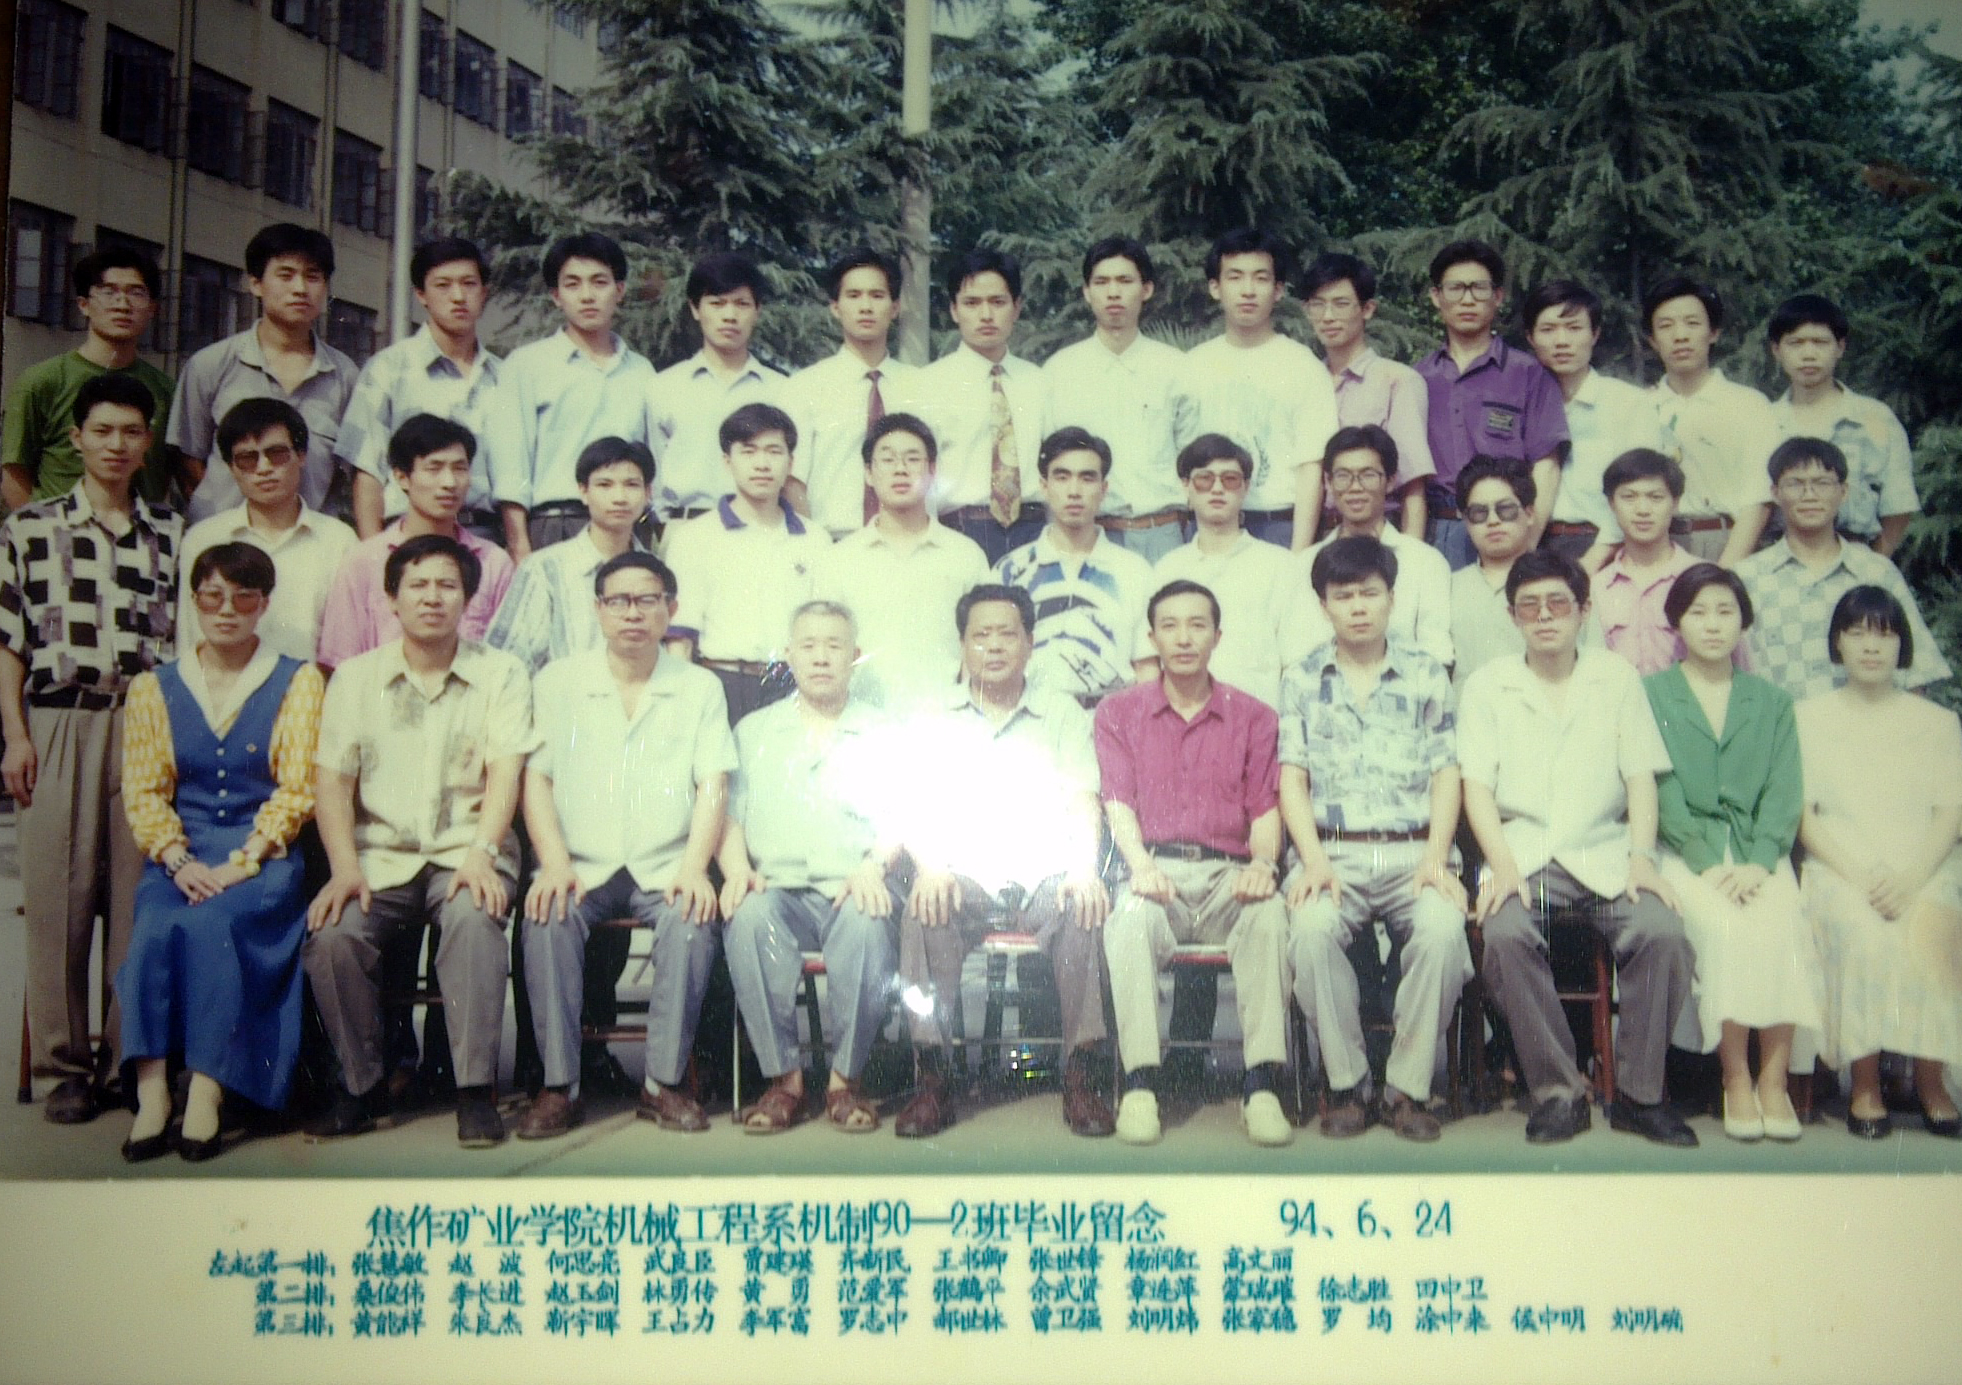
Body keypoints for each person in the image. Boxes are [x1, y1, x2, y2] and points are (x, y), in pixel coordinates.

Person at [1457, 550, 1697, 1147]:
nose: (1544, 617)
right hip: (1524, 854)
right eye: (1529, 607)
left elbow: (1640, 775)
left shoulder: (1615, 677)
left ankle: (1640, 1094)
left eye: (1557, 604)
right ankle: (1560, 1092)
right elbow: (1476, 787)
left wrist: (1641, 858)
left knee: (1662, 932)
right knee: (1504, 935)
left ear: (1584, 610)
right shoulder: (1488, 685)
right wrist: (1501, 866)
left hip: (1606, 852)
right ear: (1513, 616)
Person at [302, 534, 534, 1148]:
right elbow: (333, 781)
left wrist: (483, 853)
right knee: (333, 937)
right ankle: (362, 1086)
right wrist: (344, 867)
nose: (433, 598)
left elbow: (506, 773)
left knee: (473, 920)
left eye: (447, 586)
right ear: (392, 599)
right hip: (378, 854)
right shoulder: (355, 678)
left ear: (467, 599)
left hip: (467, 848)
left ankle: (474, 1091)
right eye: (418, 585)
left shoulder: (501, 673)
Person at [0, 373, 182, 1124]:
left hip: (145, 720)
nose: (115, 445)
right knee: (60, 899)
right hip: (59, 718)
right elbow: (8, 641)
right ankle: (64, 1068)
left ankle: (128, 1059)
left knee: (137, 898)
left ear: (146, 443)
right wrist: (15, 735)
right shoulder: (30, 528)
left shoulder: (170, 532)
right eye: (101, 431)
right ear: (76, 438)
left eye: (130, 432)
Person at [516, 552, 737, 1139]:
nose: (632, 613)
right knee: (545, 916)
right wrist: (553, 863)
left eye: (647, 600)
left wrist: (695, 868)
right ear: (599, 609)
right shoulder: (558, 681)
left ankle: (662, 1083)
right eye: (619, 601)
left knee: (690, 921)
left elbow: (713, 782)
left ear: (671, 608)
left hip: (665, 864)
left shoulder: (699, 687)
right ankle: (559, 1086)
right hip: (581, 865)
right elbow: (536, 779)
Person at [117, 543, 324, 1162]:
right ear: (194, 601)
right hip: (181, 855)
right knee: (153, 926)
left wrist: (246, 860)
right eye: (212, 597)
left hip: (265, 854)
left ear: (263, 605)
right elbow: (145, 790)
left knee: (217, 924)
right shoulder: (154, 687)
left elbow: (297, 787)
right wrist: (176, 859)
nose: (226, 610)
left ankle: (207, 1091)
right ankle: (153, 1093)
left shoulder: (296, 679)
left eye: (243, 597)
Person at [890, 584, 1117, 1140]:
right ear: (963, 645)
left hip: (1045, 872)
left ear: (1029, 643)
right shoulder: (933, 715)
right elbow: (910, 805)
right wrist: (930, 867)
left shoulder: (1060, 711)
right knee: (923, 909)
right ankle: (933, 1078)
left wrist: (1083, 868)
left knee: (1083, 906)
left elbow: (1082, 798)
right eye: (981, 635)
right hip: (962, 873)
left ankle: (1082, 1076)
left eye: (1007, 634)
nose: (994, 646)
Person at [1280, 537, 1471, 1142]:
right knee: (1310, 932)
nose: (1358, 606)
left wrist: (1436, 857)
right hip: (1333, 852)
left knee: (1442, 932)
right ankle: (1348, 1085)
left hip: (1416, 849)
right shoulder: (1302, 678)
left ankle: (1406, 1090)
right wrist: (1313, 861)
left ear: (1391, 598)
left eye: (1370, 593)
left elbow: (1447, 772)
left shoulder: (1425, 673)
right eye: (1343, 596)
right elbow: (1292, 778)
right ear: (1324, 605)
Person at [1098, 579, 1293, 1148]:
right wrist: (1140, 866)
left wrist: (1263, 864)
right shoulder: (1119, 713)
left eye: (1197, 625)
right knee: (1128, 921)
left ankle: (1261, 1086)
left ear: (1217, 636)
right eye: (1170, 626)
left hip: (1228, 873)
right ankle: (1141, 1085)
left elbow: (1265, 807)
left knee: (1268, 915)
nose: (1184, 638)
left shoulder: (1253, 716)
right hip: (1155, 869)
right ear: (1152, 637)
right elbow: (1118, 802)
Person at [1643, 564, 1816, 1142]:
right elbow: (1659, 787)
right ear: (1677, 622)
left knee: (1784, 922)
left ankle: (1774, 1081)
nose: (1713, 625)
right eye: (1698, 612)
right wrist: (1707, 862)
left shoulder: (1772, 702)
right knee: (1725, 929)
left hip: (1758, 852)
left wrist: (1761, 861)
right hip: (1687, 853)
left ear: (1744, 622)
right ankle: (1736, 1078)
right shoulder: (1651, 695)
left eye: (1725, 612)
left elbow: (1784, 790)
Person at [718, 601, 903, 1134]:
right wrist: (736, 869)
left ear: (855, 656)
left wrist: (874, 865)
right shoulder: (754, 731)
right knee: (747, 918)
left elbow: (904, 813)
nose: (821, 657)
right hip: (777, 889)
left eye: (834, 646)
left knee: (868, 923)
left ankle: (845, 1081)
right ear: (789, 656)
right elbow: (730, 818)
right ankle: (785, 1081)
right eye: (809, 646)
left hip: (854, 884)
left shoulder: (883, 730)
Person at [1797, 585, 1962, 1140]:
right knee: (1862, 932)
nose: (1871, 646)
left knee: (1934, 925)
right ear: (1837, 643)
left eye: (1885, 635)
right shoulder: (1807, 718)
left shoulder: (1937, 722)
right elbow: (1804, 818)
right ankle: (1864, 1083)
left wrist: (1912, 880)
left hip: (1922, 867)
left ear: (1903, 646)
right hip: (1840, 868)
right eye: (1857, 633)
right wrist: (1861, 877)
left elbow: (1950, 814)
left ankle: (1931, 1079)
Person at [167, 223, 359, 523]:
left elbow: (354, 471)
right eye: (286, 275)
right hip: (224, 539)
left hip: (310, 540)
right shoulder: (211, 365)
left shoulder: (345, 376)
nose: (300, 289)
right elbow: (188, 460)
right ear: (256, 283)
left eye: (313, 276)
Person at [1733, 437, 1949, 700]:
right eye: (1795, 484)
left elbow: (1915, 671)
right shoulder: (1748, 578)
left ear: (1843, 492)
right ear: (1775, 493)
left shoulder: (1877, 572)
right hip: (1778, 723)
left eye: (1822, 483)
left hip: (1864, 721)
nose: (1809, 495)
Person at [486, 232, 656, 561]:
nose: (587, 296)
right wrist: (519, 544)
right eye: (573, 284)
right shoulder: (526, 365)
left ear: (620, 290)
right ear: (556, 295)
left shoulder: (642, 371)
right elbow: (510, 465)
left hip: (627, 527)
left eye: (599, 282)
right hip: (555, 525)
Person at [662, 402, 831, 723]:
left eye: (774, 451)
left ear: (791, 462)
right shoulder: (694, 537)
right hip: (721, 681)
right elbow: (680, 641)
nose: (762, 464)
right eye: (748, 451)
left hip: (792, 685)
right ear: (727, 461)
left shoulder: (815, 540)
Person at [809, 413, 990, 713]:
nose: (901, 469)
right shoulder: (839, 559)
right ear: (868, 473)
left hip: (946, 716)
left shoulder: (966, 556)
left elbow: (982, 640)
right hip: (860, 717)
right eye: (888, 459)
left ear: (932, 470)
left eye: (912, 459)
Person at [335, 236, 504, 542]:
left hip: (487, 537)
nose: (458, 296)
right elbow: (367, 471)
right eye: (443, 285)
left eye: (469, 284)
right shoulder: (388, 369)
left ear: (484, 292)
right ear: (421, 295)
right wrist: (375, 553)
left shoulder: (504, 376)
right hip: (410, 535)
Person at [1179, 228, 1338, 549]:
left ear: (1278, 290)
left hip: (1278, 526)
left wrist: (1299, 554)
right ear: (1215, 287)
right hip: (1207, 527)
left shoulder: (1303, 366)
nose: (1248, 291)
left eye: (1261, 278)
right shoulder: (1192, 365)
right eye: (1235, 277)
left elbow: (1311, 467)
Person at [316, 415, 514, 670]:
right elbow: (341, 662)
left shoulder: (493, 563)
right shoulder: (363, 562)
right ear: (402, 477)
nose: (449, 483)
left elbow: (508, 660)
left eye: (459, 468)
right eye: (434, 468)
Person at [1416, 240, 1568, 568]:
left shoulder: (1529, 373)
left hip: (1507, 528)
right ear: (1436, 296)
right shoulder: (1417, 379)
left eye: (1479, 288)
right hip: (1437, 528)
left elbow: (1547, 465)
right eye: (1455, 288)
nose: (1468, 299)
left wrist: (1527, 545)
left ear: (1497, 296)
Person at [1042, 237, 1190, 561]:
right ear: (1086, 292)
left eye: (1125, 281)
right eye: (1101, 282)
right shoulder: (1059, 372)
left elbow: (1193, 460)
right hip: (1087, 536)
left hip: (1163, 534)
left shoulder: (1176, 369)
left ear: (1146, 289)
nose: (1113, 292)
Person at [177, 398, 357, 663]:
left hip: (313, 685)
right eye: (247, 459)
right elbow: (190, 640)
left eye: (277, 454)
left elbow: (347, 644)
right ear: (231, 468)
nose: (263, 468)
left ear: (301, 456)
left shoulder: (338, 541)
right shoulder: (204, 539)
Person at [3, 244, 178, 509]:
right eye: (109, 292)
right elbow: (14, 474)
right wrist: (38, 528)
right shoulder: (41, 382)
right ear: (84, 305)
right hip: (59, 530)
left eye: (136, 293)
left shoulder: (167, 390)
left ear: (152, 309)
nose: (122, 304)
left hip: (141, 531)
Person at [993, 427, 1155, 704]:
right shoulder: (1009, 571)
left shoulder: (1134, 571)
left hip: (1109, 717)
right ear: (1044, 486)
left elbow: (1147, 668)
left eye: (1087, 478)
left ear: (1104, 489)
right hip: (1030, 715)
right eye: (1062, 477)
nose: (1074, 491)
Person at [1522, 279, 1667, 566]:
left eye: (1574, 328)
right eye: (1548, 330)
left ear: (1595, 333)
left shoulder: (1629, 404)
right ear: (1530, 337)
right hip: (1533, 547)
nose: (1561, 341)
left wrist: (1591, 563)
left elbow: (1641, 490)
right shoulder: (1520, 405)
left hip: (1606, 549)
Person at [1143, 434, 1294, 709]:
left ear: (1245, 487)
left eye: (1230, 479)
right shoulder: (1168, 569)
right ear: (1186, 486)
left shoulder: (1279, 566)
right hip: (1184, 720)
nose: (1216, 489)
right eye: (1204, 479)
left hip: (1258, 720)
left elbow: (1295, 662)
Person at [916, 248, 1046, 565]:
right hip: (959, 529)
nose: (986, 315)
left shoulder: (1040, 382)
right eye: (972, 303)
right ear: (954, 310)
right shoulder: (927, 384)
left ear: (1017, 307)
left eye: (998, 302)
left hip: (1034, 530)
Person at [484, 437, 655, 674]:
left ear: (648, 493)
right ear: (583, 491)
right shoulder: (545, 569)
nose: (619, 497)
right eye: (605, 485)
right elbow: (505, 662)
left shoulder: (657, 571)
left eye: (631, 485)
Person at [782, 247, 921, 538]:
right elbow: (793, 481)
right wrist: (812, 545)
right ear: (835, 307)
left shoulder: (920, 385)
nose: (866, 307)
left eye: (877, 295)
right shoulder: (804, 387)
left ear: (895, 307)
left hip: (907, 540)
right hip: (834, 541)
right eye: (854, 296)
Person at [1287, 425, 1453, 669]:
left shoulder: (1425, 562)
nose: (1355, 487)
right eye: (1343, 476)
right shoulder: (1305, 563)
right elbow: (1298, 650)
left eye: (1368, 475)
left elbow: (1437, 652)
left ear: (1390, 481)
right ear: (1328, 482)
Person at [1766, 294, 1919, 556]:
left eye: (1820, 342)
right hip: (1777, 559)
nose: (1808, 354)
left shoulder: (1874, 418)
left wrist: (1873, 563)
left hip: (1856, 556)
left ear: (1840, 347)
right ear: (1777, 350)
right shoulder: (1764, 421)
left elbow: (1898, 505)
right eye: (1796, 343)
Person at [1298, 251, 1435, 537]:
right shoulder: (1304, 380)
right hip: (1313, 535)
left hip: (1376, 535)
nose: (1328, 317)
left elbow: (1413, 487)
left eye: (1341, 304)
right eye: (1318, 305)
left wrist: (1410, 554)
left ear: (1367, 309)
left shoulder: (1397, 381)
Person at [1643, 275, 1777, 564]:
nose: (1680, 335)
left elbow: (1759, 499)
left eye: (1692, 323)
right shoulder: (1640, 407)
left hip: (1727, 543)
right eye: (1666, 326)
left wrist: (1725, 572)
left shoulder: (1749, 405)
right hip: (1655, 548)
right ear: (1653, 340)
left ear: (1713, 332)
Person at [648, 251, 787, 527]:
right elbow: (652, 475)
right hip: (683, 527)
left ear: (757, 311)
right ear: (695, 309)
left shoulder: (780, 390)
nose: (730, 316)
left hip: (758, 528)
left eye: (742, 304)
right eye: (717, 303)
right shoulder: (663, 387)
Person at [1592, 448, 1704, 675]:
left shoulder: (1704, 579)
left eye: (1656, 497)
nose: (1643, 510)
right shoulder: (1596, 588)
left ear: (1675, 503)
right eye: (1629, 497)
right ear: (1611, 504)